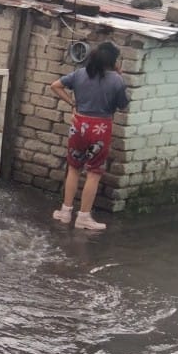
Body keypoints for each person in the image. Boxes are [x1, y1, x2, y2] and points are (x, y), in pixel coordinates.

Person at [49, 41, 130, 230]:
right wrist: (119, 76)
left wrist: (73, 104)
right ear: (113, 61)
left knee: (74, 168)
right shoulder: (116, 80)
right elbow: (122, 105)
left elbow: (55, 85)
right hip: (100, 128)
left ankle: (65, 212)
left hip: (78, 125)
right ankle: (83, 217)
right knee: (93, 173)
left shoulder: (80, 73)